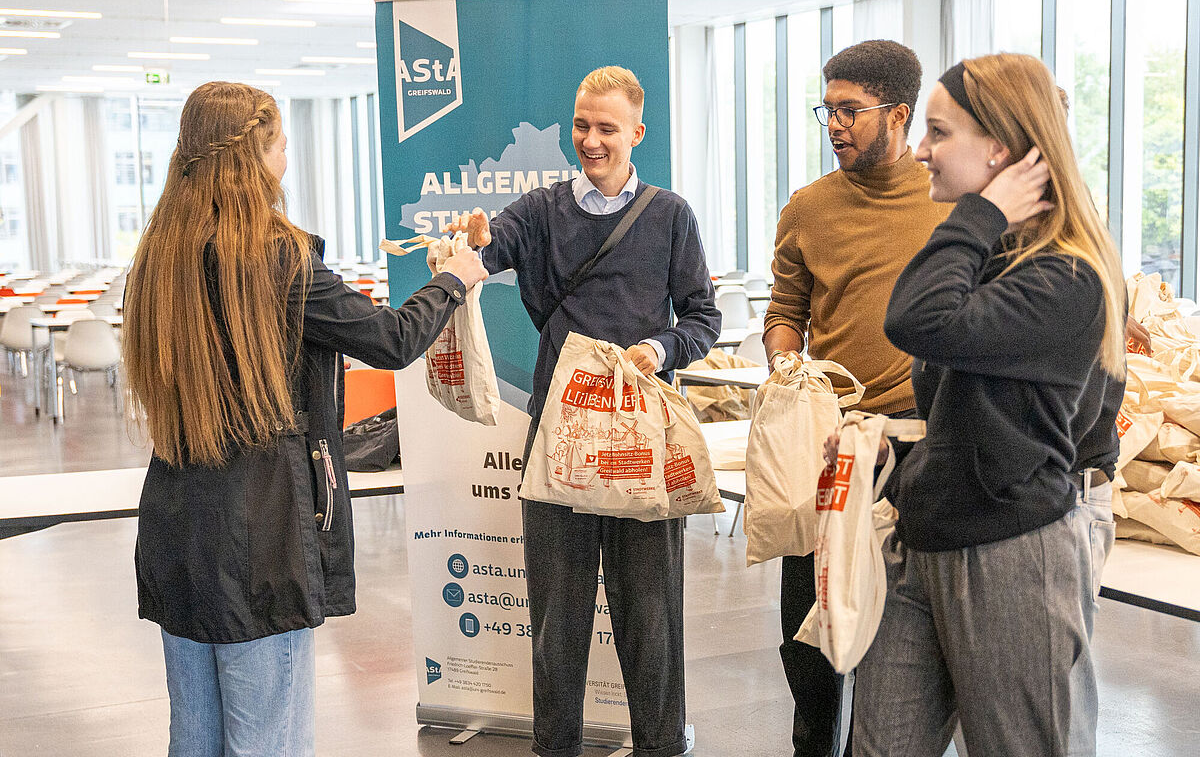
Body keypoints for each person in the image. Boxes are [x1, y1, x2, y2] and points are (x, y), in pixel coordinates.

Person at [123, 81, 487, 756]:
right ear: (253, 158)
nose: (287, 158)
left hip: (178, 529)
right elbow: (390, 339)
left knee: (194, 738)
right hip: (262, 537)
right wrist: (456, 278)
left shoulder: (159, 258)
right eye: (282, 144)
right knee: (268, 741)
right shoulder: (279, 258)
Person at [850, 53, 1126, 757]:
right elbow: (982, 413)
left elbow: (913, 321)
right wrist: (898, 448)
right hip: (927, 539)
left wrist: (978, 211)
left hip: (1011, 554)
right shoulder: (996, 260)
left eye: (938, 133)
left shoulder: (1066, 278)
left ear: (999, 150)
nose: (920, 152)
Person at [450, 66, 720, 757]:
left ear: (637, 132)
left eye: (606, 128)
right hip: (559, 437)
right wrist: (476, 239)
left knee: (650, 612)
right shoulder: (540, 210)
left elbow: (702, 318)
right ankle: (556, 746)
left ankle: (663, 744)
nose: (591, 141)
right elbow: (494, 245)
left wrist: (658, 351)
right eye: (581, 126)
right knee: (557, 616)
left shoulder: (669, 215)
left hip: (638, 437)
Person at [763, 39, 951, 757]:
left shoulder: (950, 203)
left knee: (904, 636)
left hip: (925, 449)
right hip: (834, 448)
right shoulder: (809, 207)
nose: (835, 124)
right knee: (810, 635)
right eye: (828, 110)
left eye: (851, 110)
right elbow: (787, 310)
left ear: (899, 114)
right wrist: (787, 366)